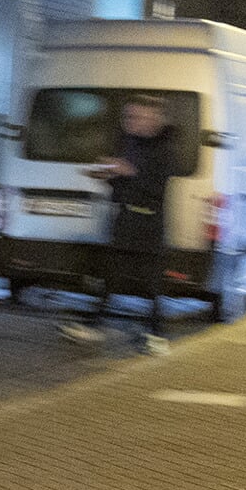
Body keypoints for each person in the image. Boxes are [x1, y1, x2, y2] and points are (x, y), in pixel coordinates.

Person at [61, 95, 174, 356]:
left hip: (149, 226)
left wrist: (128, 171)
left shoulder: (164, 148)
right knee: (111, 276)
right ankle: (94, 325)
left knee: (151, 285)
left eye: (136, 117)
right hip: (125, 221)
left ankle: (157, 335)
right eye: (128, 117)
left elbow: (156, 188)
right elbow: (126, 184)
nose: (130, 122)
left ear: (153, 119)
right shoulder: (130, 143)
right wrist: (107, 177)